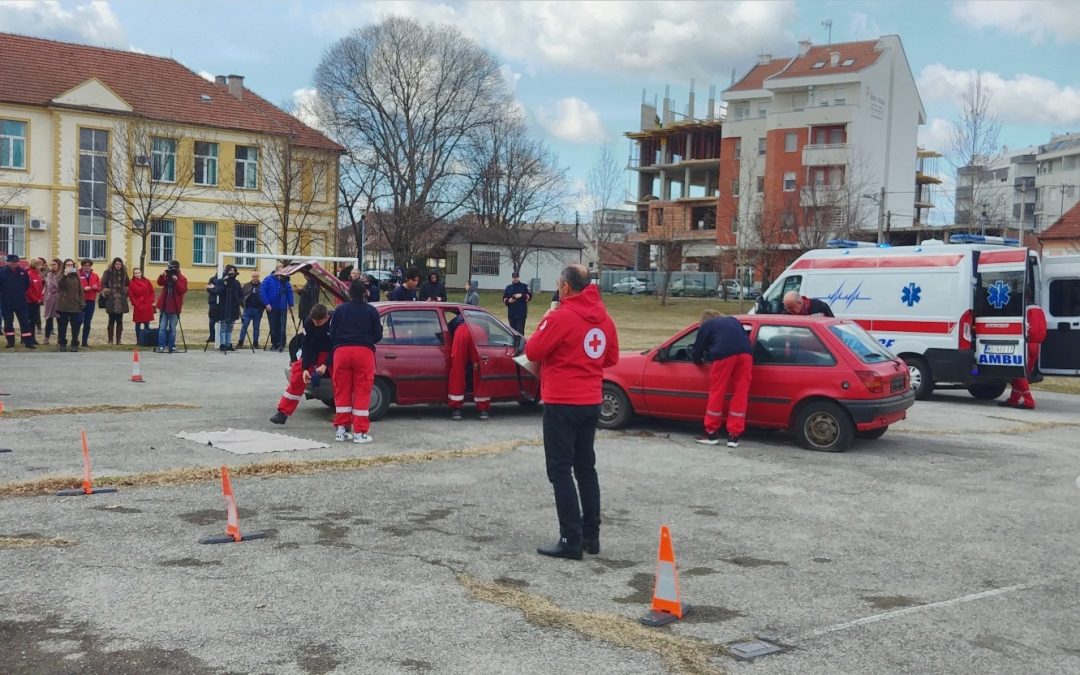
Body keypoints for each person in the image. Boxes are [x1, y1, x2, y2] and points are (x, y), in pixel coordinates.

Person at [525, 264, 619, 560]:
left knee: (560, 470)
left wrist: (547, 321)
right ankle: (591, 536)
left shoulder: (561, 316)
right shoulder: (604, 318)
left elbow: (533, 351)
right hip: (591, 400)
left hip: (562, 401)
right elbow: (611, 357)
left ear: (565, 287)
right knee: (586, 468)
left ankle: (571, 538)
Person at [329, 279, 383, 444]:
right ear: (365, 293)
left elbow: (332, 332)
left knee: (341, 391)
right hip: (363, 352)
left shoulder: (340, 310)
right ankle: (360, 432)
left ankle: (341, 430)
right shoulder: (371, 311)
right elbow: (378, 335)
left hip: (341, 352)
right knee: (362, 391)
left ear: (349, 293)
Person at [691, 309, 753, 447]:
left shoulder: (706, 326)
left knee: (717, 392)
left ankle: (711, 433)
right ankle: (734, 436)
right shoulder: (733, 320)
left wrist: (697, 360)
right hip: (746, 355)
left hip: (724, 355)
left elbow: (698, 349)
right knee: (740, 393)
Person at [271, 303, 332, 425]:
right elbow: (306, 344)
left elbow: (336, 346)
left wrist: (325, 365)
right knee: (297, 375)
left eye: (318, 322)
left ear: (326, 317)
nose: (315, 324)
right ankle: (283, 413)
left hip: (331, 352)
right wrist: (305, 368)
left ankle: (344, 417)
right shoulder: (309, 322)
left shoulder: (335, 322)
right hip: (313, 352)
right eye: (313, 321)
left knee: (341, 378)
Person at [1000, 301, 1048, 410]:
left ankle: (1029, 401)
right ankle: (1014, 398)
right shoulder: (1039, 310)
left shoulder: (1027, 311)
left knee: (1019, 373)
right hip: (1035, 345)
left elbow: (1027, 328)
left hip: (1027, 344)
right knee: (1021, 373)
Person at [447, 313, 490, 420]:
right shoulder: (481, 316)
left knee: (458, 369)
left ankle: (456, 409)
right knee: (479, 370)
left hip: (461, 331)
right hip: (479, 332)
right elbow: (488, 333)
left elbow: (449, 332)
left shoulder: (457, 319)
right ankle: (483, 410)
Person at [0, 254, 35, 348]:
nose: (15, 264)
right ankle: (10, 341)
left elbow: (27, 285)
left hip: (20, 301)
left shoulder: (23, 272)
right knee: (8, 323)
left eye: (16, 262)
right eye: (13, 262)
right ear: (8, 262)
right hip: (6, 302)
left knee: (24, 322)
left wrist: (19, 292)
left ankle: (28, 342)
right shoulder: (2, 272)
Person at [260, 264, 294, 352]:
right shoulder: (268, 279)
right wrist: (267, 303)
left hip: (282, 307)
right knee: (273, 326)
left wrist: (291, 304)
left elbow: (289, 292)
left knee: (282, 326)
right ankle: (274, 344)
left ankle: (282, 344)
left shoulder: (285, 281)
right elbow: (263, 291)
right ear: (277, 271)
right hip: (272, 307)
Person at [155, 261, 187, 353]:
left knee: (172, 328)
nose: (171, 270)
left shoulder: (182, 278)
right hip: (165, 305)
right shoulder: (167, 276)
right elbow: (160, 283)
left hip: (175, 306)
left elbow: (182, 290)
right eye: (169, 268)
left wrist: (176, 281)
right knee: (162, 327)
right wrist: (162, 275)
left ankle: (171, 346)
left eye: (173, 268)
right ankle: (161, 346)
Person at [99, 257, 130, 345]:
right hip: (111, 298)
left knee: (120, 320)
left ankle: (119, 340)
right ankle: (110, 340)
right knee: (111, 320)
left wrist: (125, 290)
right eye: (116, 264)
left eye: (120, 264)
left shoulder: (124, 273)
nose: (118, 266)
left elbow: (128, 283)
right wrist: (106, 290)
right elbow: (103, 283)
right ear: (113, 264)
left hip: (121, 299)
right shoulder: (107, 272)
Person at [212, 264, 243, 351]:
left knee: (230, 326)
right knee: (223, 326)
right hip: (224, 307)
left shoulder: (237, 283)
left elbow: (240, 294)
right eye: (230, 270)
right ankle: (223, 344)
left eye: (233, 270)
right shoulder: (221, 281)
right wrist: (224, 283)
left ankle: (228, 343)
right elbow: (218, 291)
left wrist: (239, 301)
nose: (232, 272)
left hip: (233, 307)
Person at [56, 259, 84, 352]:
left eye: (71, 265)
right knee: (62, 327)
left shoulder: (76, 276)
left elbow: (80, 290)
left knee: (75, 326)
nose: (69, 266)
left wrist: (82, 302)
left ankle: (74, 343)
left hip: (75, 305)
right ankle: (62, 343)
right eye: (67, 265)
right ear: (64, 266)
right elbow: (60, 286)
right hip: (63, 305)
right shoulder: (61, 275)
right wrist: (65, 275)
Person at [128, 268, 155, 346]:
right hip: (138, 305)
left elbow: (151, 291)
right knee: (138, 324)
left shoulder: (147, 281)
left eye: (138, 273)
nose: (137, 275)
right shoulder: (132, 282)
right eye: (135, 273)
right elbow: (131, 295)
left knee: (147, 323)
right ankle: (138, 341)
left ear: (141, 273)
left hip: (147, 305)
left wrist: (151, 300)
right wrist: (135, 303)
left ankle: (146, 340)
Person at [237, 270, 264, 349]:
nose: (255, 278)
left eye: (257, 276)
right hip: (248, 309)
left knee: (256, 327)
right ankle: (240, 342)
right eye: (253, 276)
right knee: (244, 326)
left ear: (259, 277)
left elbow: (265, 298)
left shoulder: (262, 286)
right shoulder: (246, 285)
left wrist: (262, 308)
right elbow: (241, 296)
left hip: (258, 310)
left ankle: (255, 343)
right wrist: (243, 305)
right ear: (251, 277)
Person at [79, 259, 101, 347]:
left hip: (91, 301)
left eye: (89, 265)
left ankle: (84, 341)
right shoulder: (78, 274)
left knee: (87, 322)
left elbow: (100, 288)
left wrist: (95, 288)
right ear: (82, 266)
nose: (87, 267)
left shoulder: (95, 275)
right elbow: (76, 286)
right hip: (80, 301)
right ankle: (75, 340)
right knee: (78, 321)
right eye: (85, 265)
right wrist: (84, 288)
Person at [25, 258, 44, 342]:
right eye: (40, 265)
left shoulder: (38, 275)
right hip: (30, 302)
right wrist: (35, 299)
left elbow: (40, 289)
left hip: (37, 302)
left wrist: (41, 299)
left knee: (34, 320)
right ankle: (28, 338)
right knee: (30, 321)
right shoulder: (29, 274)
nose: (41, 266)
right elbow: (28, 290)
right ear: (36, 265)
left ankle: (33, 338)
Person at [43, 258, 61, 345]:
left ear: (59, 265)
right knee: (49, 319)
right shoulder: (49, 274)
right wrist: (45, 296)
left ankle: (60, 339)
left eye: (54, 264)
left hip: (60, 299)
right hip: (50, 299)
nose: (52, 266)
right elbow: (47, 286)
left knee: (60, 320)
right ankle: (46, 338)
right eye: (51, 264)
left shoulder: (63, 275)